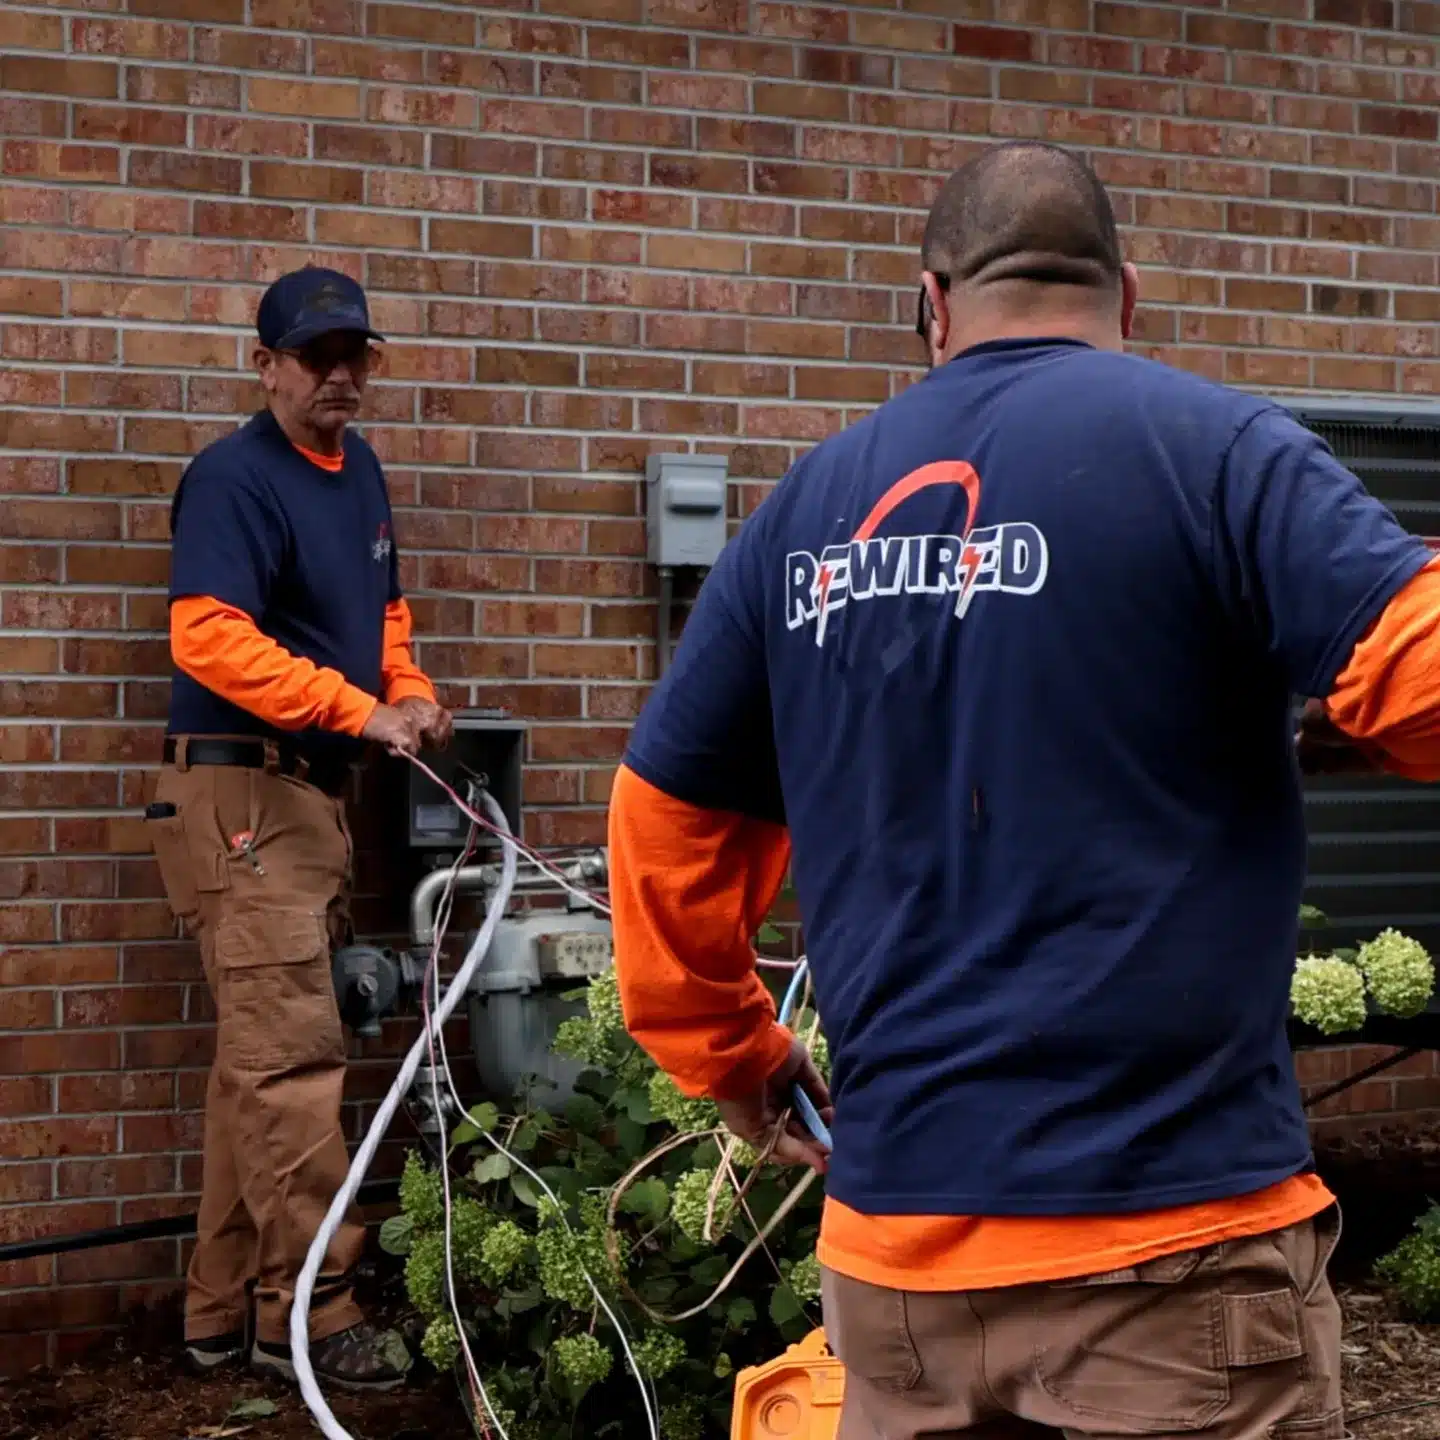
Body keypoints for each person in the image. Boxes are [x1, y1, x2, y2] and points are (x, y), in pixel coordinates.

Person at [607, 140, 1440, 1439]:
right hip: (1171, 1265)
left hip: (898, 1282)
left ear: (930, 304)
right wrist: (1356, 727)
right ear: (1127, 297)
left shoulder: (805, 511)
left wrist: (737, 1058)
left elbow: (662, 825)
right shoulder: (1212, 447)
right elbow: (1422, 676)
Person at [146, 266, 452, 1392]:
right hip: (243, 798)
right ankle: (313, 1318)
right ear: (264, 365)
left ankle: (219, 1312)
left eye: (353, 355)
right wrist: (352, 708)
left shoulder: (359, 471)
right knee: (292, 1069)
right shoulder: (233, 479)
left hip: (308, 802)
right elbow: (208, 637)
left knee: (258, 1067)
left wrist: (406, 691)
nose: (338, 375)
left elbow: (383, 617)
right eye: (314, 356)